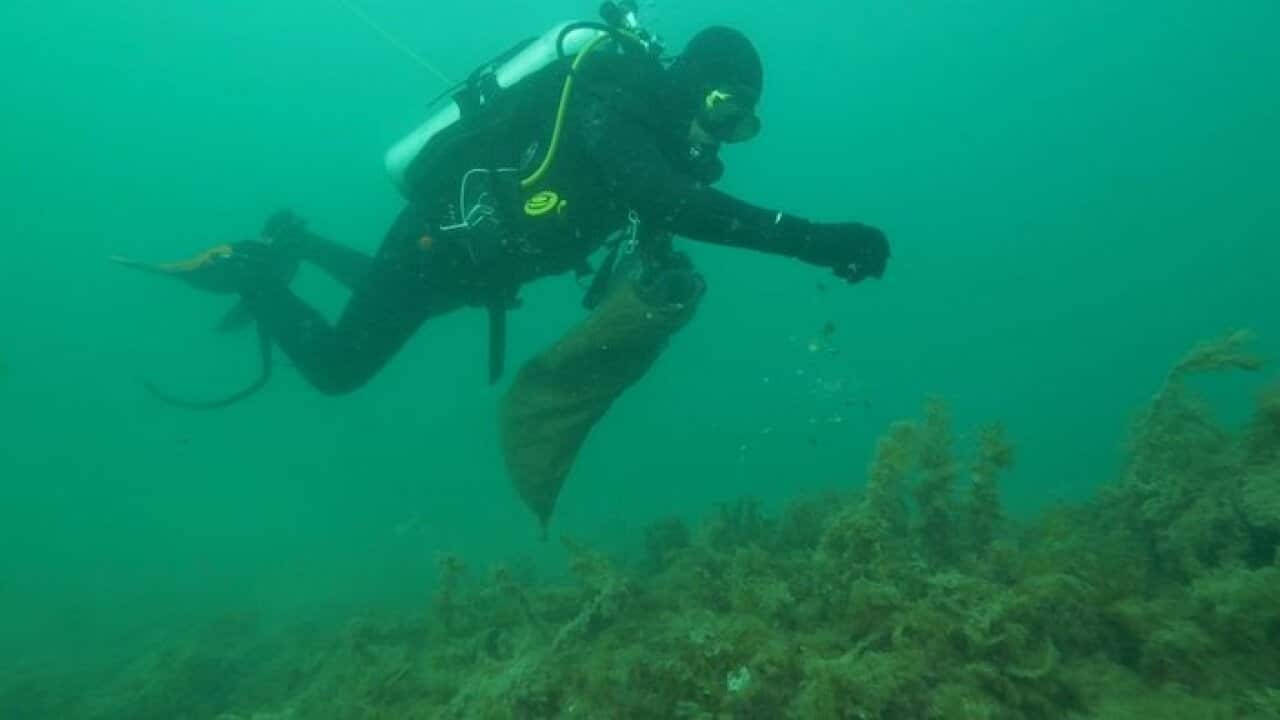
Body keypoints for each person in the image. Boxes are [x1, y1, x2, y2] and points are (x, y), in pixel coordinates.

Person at [116, 17, 890, 532]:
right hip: (442, 242)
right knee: (341, 367)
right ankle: (253, 273)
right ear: (690, 79)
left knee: (394, 302)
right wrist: (813, 239)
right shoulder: (612, 100)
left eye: (740, 123)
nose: (722, 130)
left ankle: (300, 241)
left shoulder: (654, 136)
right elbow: (663, 199)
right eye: (723, 107)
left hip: (475, 265)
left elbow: (658, 213)